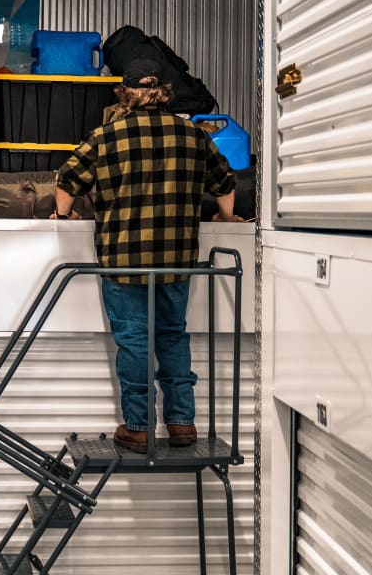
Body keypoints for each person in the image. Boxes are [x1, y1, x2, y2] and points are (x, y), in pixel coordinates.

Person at [52, 57, 243, 453]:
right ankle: (182, 424)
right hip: (177, 262)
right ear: (165, 93)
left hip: (124, 261)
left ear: (126, 93)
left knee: (135, 340)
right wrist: (227, 216)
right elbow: (226, 182)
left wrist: (65, 212)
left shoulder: (107, 135)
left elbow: (67, 179)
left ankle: (139, 426)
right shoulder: (192, 134)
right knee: (172, 336)